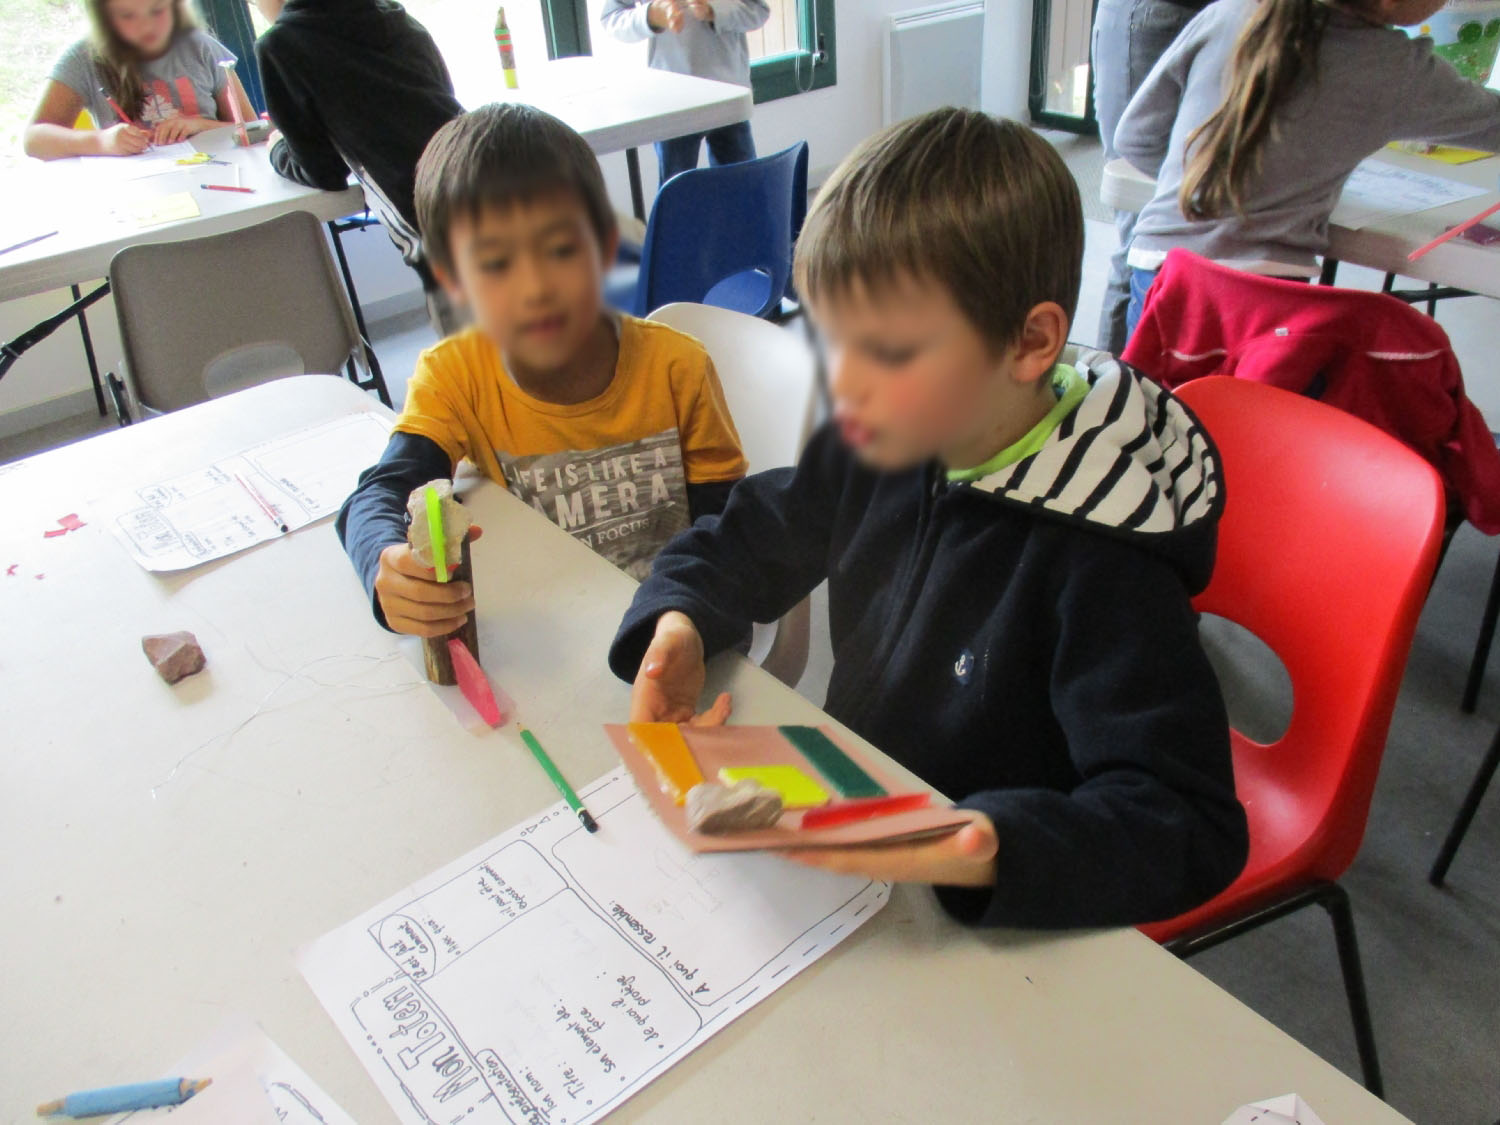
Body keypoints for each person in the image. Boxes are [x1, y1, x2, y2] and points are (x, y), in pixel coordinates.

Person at [608, 107, 1249, 929]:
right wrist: (680, 622)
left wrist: (972, 842)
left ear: (1029, 342)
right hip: (860, 835)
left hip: (994, 905)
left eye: (889, 353)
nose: (845, 389)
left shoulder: (1105, 560)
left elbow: (1184, 823)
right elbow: (754, 532)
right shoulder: (886, 436)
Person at [337, 103, 748, 638]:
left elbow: (728, 532)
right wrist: (385, 567)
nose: (535, 289)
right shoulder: (456, 376)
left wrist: (687, 624)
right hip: (553, 636)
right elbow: (378, 494)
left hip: (676, 632)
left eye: (560, 249)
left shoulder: (677, 368)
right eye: (495, 264)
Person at [1115, 0, 1500, 340]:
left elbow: (1135, 139)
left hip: (1159, 270)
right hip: (1267, 294)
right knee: (1252, 418)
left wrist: (1215, 183)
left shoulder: (1227, 12)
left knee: (1155, 414)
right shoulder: (1397, 67)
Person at [251, 0, 465, 335]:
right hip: (483, 179)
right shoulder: (398, 17)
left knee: (474, 366)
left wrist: (278, 147)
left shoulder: (281, 46)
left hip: (429, 222)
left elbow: (323, 172)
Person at [1091, 0, 1208, 353]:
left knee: (1171, 227)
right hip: (1155, 15)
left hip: (1219, 14)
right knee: (1142, 229)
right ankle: (1106, 384)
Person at [25, 0, 255, 159]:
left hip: (218, 178)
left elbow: (255, 129)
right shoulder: (85, 57)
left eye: (157, 10)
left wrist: (200, 125)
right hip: (134, 196)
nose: (146, 25)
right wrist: (102, 142)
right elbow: (34, 140)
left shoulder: (201, 47)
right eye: (127, 15)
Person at [600, 0, 770, 184]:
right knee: (676, 194)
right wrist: (649, 16)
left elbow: (758, 10)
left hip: (729, 96)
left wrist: (715, 11)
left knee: (744, 189)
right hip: (672, 102)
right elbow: (611, 18)